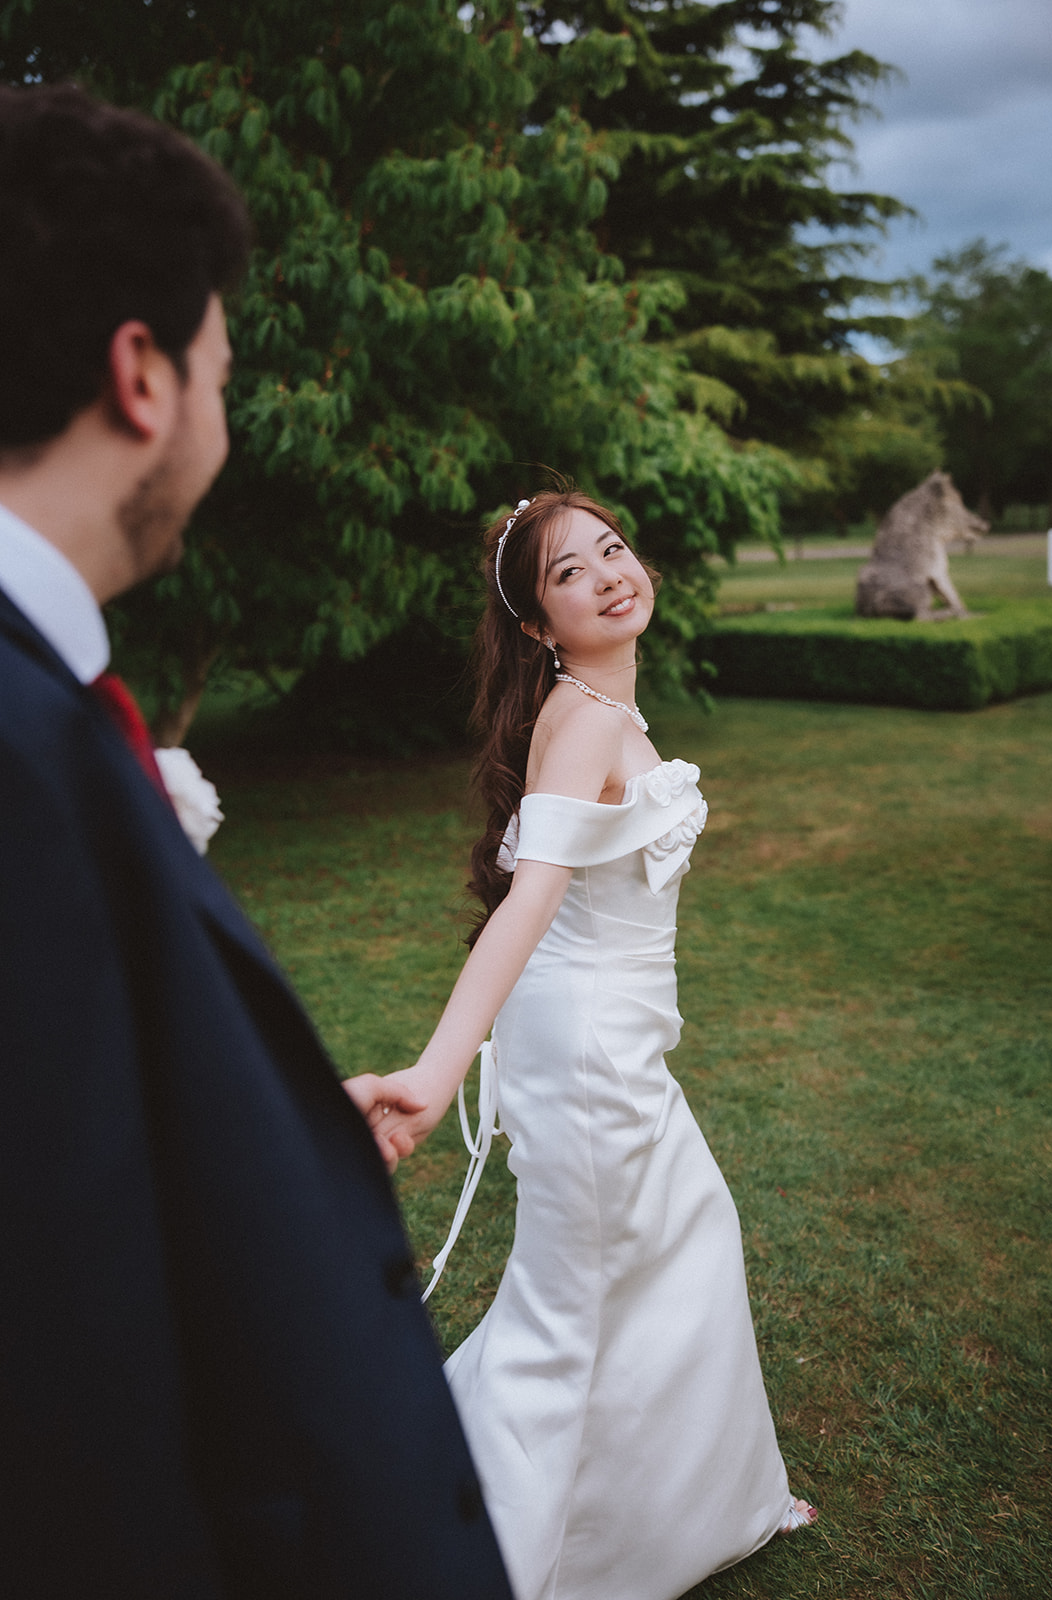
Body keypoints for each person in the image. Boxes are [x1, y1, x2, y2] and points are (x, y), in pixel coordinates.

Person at [0, 83, 512, 1600]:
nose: (224, 418)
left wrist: (262, 1141)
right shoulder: (22, 754)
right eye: (222, 373)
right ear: (142, 376)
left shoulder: (46, 704)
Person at [348, 490, 818, 1600]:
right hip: (589, 1052)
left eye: (612, 550)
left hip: (606, 1033)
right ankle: (479, 1559)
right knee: (574, 1307)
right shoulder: (588, 721)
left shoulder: (594, 704)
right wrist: (436, 1072)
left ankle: (717, 1506)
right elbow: (528, 902)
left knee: (671, 1254)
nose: (609, 574)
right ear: (534, 623)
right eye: (570, 572)